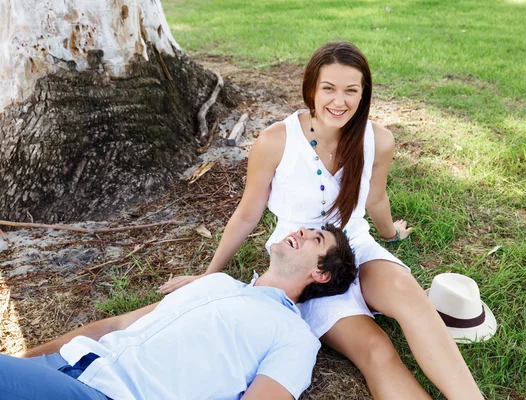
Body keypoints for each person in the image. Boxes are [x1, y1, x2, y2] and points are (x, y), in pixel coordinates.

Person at [159, 41, 483, 399]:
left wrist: (390, 235)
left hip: (355, 241)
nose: (338, 101)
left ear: (364, 95)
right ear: (311, 88)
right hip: (305, 263)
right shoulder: (276, 141)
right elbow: (248, 213)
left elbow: (375, 197)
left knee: (412, 299)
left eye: (351, 90)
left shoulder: (378, 140)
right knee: (375, 351)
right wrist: (207, 278)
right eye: (328, 88)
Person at [0, 225, 356, 400]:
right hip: (66, 366)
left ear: (321, 274)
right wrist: (28, 359)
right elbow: (117, 324)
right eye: (308, 229)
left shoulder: (295, 337)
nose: (302, 232)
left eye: (316, 239)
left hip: (114, 394)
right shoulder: (216, 282)